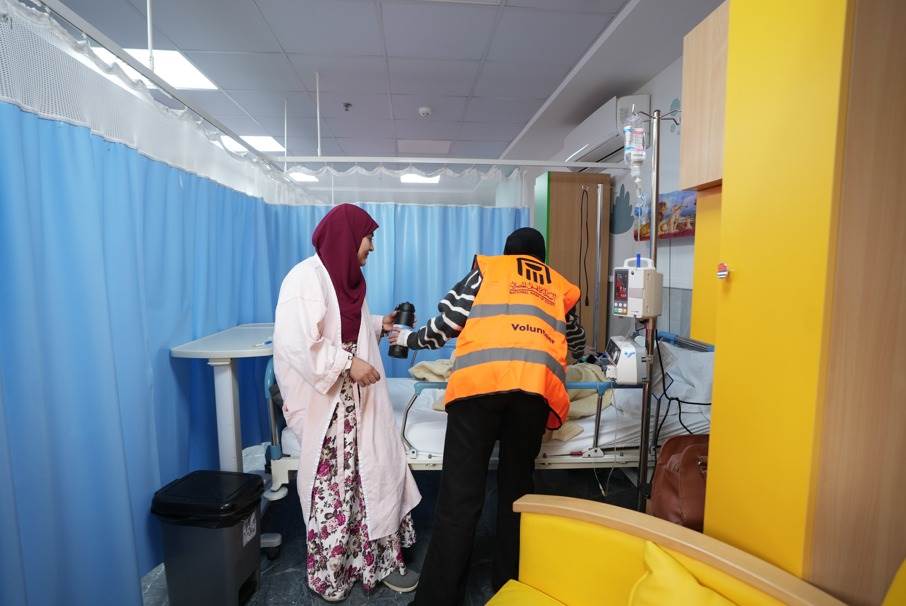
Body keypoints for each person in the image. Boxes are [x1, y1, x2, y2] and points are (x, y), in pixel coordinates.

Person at [391, 227, 586, 605]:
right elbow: (575, 339)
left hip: (479, 388)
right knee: (517, 491)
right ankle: (509, 584)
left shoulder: (488, 270)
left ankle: (438, 600)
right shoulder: (557, 285)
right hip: (533, 393)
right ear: (541, 258)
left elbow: (446, 324)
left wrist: (407, 339)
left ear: (507, 252)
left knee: (460, 498)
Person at [273, 204, 421, 602]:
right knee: (335, 489)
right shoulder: (305, 279)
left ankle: (376, 564)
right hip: (329, 407)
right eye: (369, 237)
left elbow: (342, 325)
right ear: (347, 236)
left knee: (371, 479)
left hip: (356, 402)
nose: (372, 246)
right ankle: (333, 574)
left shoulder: (348, 280)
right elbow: (298, 343)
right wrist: (346, 364)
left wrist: (379, 324)